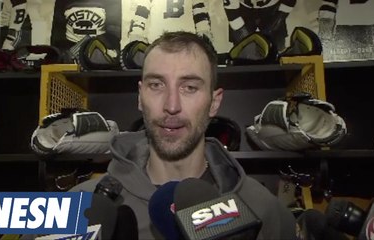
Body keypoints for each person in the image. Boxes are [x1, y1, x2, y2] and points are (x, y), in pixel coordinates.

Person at [70, 31, 297, 239]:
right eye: (157, 85)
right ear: (140, 97)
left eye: (189, 87)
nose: (171, 105)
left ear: (214, 102)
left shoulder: (262, 208)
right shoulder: (78, 207)